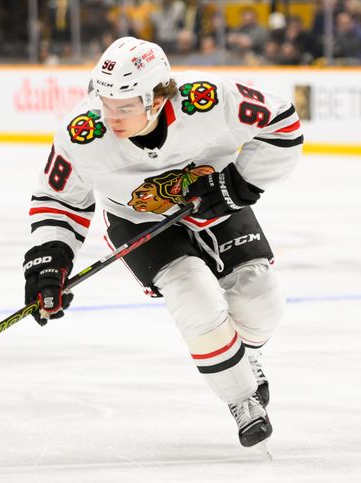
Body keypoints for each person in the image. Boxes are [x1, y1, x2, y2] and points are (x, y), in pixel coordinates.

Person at [22, 37, 303, 448]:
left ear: (156, 98)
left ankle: (244, 357)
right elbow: (58, 199)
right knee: (193, 296)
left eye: (124, 106)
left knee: (260, 299)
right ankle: (243, 399)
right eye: (105, 103)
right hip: (136, 219)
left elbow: (282, 122)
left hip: (211, 199)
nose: (110, 116)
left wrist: (238, 185)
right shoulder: (82, 133)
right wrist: (49, 261)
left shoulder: (207, 99)